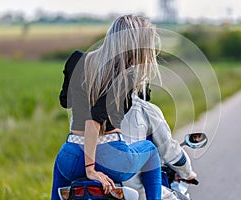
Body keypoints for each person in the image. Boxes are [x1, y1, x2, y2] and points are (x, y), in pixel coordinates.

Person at [51, 15, 162, 200]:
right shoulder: (126, 75)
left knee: (60, 165)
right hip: (112, 158)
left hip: (71, 154)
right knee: (151, 151)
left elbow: (66, 101)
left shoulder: (77, 59)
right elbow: (94, 120)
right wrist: (90, 169)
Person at [121, 92, 197, 199]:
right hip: (137, 189)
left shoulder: (92, 114)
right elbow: (171, 152)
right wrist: (187, 173)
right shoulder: (143, 108)